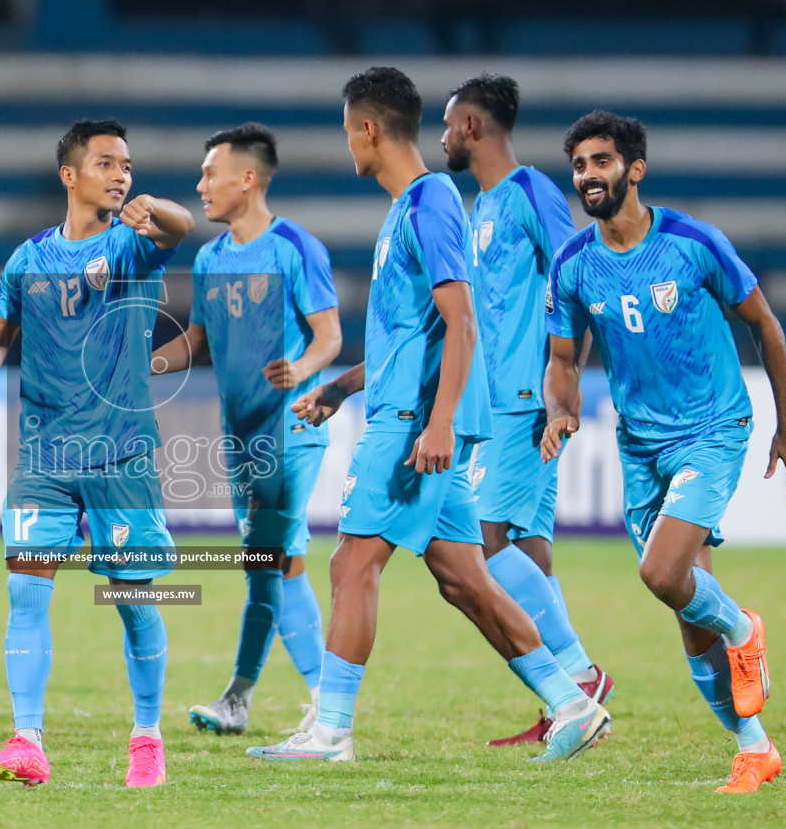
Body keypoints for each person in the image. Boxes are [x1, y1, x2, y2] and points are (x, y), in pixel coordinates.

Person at [247, 67, 610, 764]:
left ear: (370, 129)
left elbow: (462, 319)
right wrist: (344, 386)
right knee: (465, 579)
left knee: (353, 564)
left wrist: (440, 422)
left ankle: (330, 733)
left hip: (415, 423)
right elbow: (417, 332)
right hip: (405, 409)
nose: (347, 143)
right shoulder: (413, 207)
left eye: (348, 130)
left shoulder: (432, 202)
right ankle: (572, 702)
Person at [543, 110, 786, 793]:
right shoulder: (574, 263)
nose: (588, 176)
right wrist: (561, 406)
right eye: (579, 165)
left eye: (601, 162)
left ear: (634, 169)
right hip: (640, 445)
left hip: (712, 429)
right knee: (687, 615)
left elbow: (766, 326)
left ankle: (744, 628)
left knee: (664, 575)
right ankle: (754, 748)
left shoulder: (692, 243)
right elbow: (562, 357)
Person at [0, 118, 195, 788]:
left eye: (127, 165)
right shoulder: (28, 258)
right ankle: (27, 740)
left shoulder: (133, 245)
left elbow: (179, 227)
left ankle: (147, 736)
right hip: (44, 455)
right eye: (107, 164)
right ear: (70, 175)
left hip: (121, 455)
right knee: (25, 590)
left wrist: (161, 210)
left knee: (133, 597)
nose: (122, 174)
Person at [439, 73, 613, 747]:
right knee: (530, 551)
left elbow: (579, 275)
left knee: (481, 545)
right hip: (493, 399)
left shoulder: (532, 191)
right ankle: (565, 700)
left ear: (474, 127)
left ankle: (578, 676)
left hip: (523, 399)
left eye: (450, 124)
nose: (444, 137)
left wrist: (560, 391)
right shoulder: (479, 206)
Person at [150, 122, 341, 736]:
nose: (201, 185)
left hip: (292, 428)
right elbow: (197, 345)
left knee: (278, 562)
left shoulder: (294, 248)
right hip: (241, 437)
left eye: (211, 173)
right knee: (267, 565)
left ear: (248, 179)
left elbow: (329, 336)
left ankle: (323, 703)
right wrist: (144, 363)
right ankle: (239, 699)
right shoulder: (209, 258)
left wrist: (304, 368)